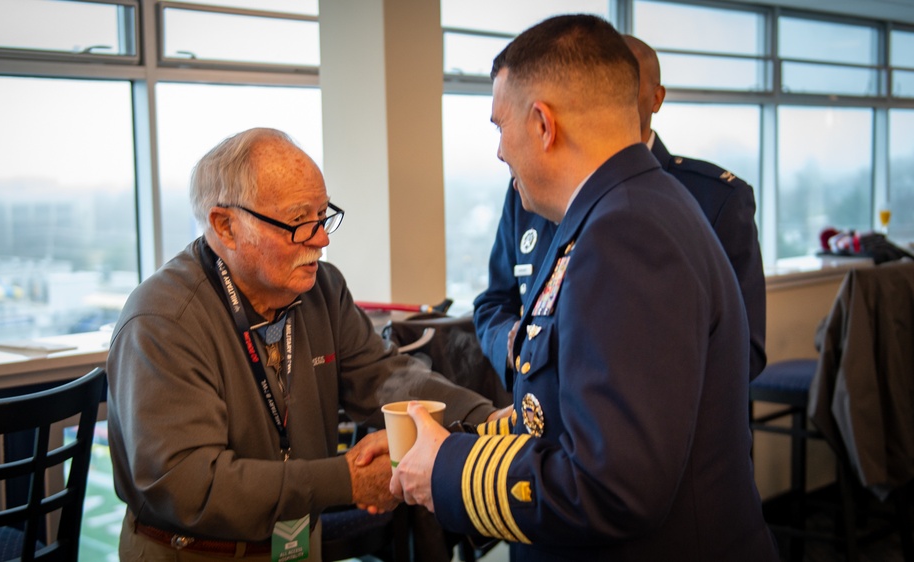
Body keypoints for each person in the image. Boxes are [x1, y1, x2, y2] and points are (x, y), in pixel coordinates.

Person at [391, 15, 778, 561]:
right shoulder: (631, 207)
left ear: (543, 124)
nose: (500, 152)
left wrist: (446, 467)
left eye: (500, 126)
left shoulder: (624, 233)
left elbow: (613, 488)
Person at [106, 127, 501, 561]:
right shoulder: (163, 320)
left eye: (322, 214)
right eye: (298, 222)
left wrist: (490, 422)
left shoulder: (322, 291)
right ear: (226, 226)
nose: (322, 238)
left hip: (295, 544)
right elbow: (189, 485)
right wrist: (344, 479)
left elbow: (385, 379)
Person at [473, 34, 767, 386]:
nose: (501, 152)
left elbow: (735, 352)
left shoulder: (698, 198)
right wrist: (515, 344)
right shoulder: (531, 191)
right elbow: (497, 299)